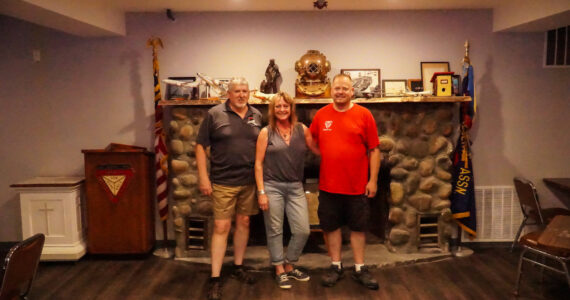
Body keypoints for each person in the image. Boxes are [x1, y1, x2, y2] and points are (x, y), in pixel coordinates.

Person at [309, 73, 381, 290]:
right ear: (331, 90)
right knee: (331, 227)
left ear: (352, 91)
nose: (340, 92)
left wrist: (373, 180)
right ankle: (335, 265)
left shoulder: (364, 115)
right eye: (336, 88)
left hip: (357, 185)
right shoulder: (321, 115)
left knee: (358, 228)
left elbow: (374, 150)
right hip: (329, 185)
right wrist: (326, 154)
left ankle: (360, 268)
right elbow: (311, 140)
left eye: (344, 88)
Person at [195, 77, 262, 300]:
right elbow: (200, 146)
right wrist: (204, 178)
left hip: (249, 181)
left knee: (243, 222)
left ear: (249, 93)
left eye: (245, 91)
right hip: (222, 181)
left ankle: (238, 266)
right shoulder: (215, 114)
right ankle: (215, 278)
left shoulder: (257, 115)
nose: (241, 94)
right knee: (222, 226)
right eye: (237, 91)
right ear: (229, 94)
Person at [254, 92, 319, 289]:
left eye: (286, 106)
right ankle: (279, 269)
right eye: (278, 106)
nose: (282, 110)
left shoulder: (302, 130)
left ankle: (289, 264)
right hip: (272, 186)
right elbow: (258, 164)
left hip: (295, 186)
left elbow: (319, 150)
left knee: (302, 230)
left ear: (291, 108)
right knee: (274, 230)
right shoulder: (266, 132)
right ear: (272, 110)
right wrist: (261, 192)